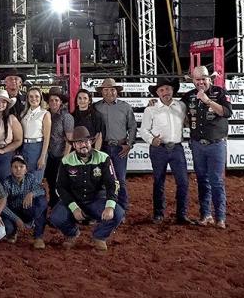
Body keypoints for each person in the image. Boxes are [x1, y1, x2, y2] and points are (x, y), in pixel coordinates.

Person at [49, 126, 124, 252]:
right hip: (74, 200)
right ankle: (72, 233)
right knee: (56, 217)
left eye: (86, 141)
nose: (83, 145)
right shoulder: (66, 161)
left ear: (91, 142)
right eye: (79, 142)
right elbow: (60, 188)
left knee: (118, 213)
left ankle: (100, 236)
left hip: (96, 200)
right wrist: (74, 207)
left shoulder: (103, 158)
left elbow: (113, 183)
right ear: (74, 145)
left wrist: (110, 205)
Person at [181, 66, 232, 228]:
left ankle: (221, 217)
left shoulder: (220, 93)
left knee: (216, 181)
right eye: (197, 79)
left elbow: (227, 112)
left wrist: (207, 101)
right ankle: (206, 215)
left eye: (204, 78)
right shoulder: (188, 96)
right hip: (197, 144)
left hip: (216, 144)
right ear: (193, 81)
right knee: (202, 180)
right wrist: (155, 102)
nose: (201, 82)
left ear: (209, 79)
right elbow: (173, 109)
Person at [140, 77, 194, 225]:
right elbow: (143, 130)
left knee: (183, 182)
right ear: (157, 93)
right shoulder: (150, 109)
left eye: (168, 89)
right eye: (162, 90)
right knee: (159, 181)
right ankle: (158, 213)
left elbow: (189, 118)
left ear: (172, 90)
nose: (165, 92)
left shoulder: (181, 106)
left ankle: (181, 215)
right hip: (159, 148)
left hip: (176, 147)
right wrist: (152, 140)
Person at [94, 78, 136, 213]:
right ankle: (103, 207)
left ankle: (122, 209)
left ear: (116, 91)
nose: (109, 92)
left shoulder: (125, 107)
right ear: (102, 92)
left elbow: (132, 127)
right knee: (101, 179)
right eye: (106, 90)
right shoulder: (96, 107)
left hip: (120, 148)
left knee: (120, 180)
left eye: (112, 89)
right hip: (103, 148)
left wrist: (129, 144)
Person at [0, 155, 48, 249]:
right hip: (13, 212)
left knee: (42, 202)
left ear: (26, 169)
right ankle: (13, 232)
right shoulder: (7, 182)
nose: (18, 169)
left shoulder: (30, 178)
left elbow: (41, 191)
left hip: (27, 209)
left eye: (21, 167)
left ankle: (38, 237)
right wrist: (16, 219)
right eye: (15, 167)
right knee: (8, 228)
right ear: (11, 169)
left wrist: (31, 194)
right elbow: (3, 205)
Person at [0, 89, 23, 182]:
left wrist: (3, 150)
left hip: (5, 153)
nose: (0, 104)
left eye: (4, 102)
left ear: (7, 105)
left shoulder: (11, 119)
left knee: (2, 178)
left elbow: (18, 140)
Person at [45, 87, 74, 208]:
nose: (53, 102)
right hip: (49, 154)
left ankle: (62, 207)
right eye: (51, 100)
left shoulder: (66, 117)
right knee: (51, 181)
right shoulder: (46, 114)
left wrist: (65, 157)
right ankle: (53, 204)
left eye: (56, 100)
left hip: (60, 155)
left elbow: (69, 139)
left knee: (60, 183)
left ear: (61, 101)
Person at [20, 87, 51, 183]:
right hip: (24, 147)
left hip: (37, 147)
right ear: (28, 98)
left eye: (37, 96)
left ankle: (36, 198)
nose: (34, 99)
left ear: (41, 98)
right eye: (31, 96)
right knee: (24, 179)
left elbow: (47, 137)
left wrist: (42, 157)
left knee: (35, 180)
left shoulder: (45, 113)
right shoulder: (24, 114)